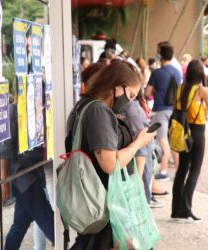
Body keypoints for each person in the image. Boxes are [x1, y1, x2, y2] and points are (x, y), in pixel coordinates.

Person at [67, 60, 155, 249]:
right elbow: (110, 164)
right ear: (117, 86)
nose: (130, 101)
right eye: (130, 95)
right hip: (104, 201)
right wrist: (140, 142)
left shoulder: (82, 105)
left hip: (95, 199)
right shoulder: (99, 110)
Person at [1, 95, 54, 249]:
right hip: (22, 176)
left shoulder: (38, 110)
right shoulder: (13, 110)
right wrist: (4, 181)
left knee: (21, 222)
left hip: (33, 173)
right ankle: (65, 243)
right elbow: (5, 150)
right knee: (47, 218)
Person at [171, 59, 208, 222]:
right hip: (197, 132)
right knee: (194, 170)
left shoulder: (180, 88)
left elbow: (175, 108)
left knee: (181, 170)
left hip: (183, 131)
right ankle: (186, 208)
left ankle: (176, 209)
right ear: (201, 74)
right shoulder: (201, 90)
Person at [145, 45, 182, 181]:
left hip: (160, 110)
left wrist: (157, 91)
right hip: (174, 110)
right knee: (172, 141)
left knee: (162, 141)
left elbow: (147, 92)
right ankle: (179, 171)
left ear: (160, 56)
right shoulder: (178, 73)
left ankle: (164, 171)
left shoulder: (157, 73)